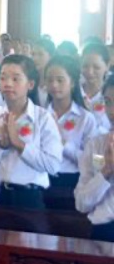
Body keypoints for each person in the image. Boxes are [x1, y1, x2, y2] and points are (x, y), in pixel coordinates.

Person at [0, 55, 62, 209]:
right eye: (3, 78)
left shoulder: (42, 118)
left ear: (30, 84)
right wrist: (1, 147)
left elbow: (53, 165)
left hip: (29, 197)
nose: (8, 84)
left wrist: (19, 144)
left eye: (15, 79)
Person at [44, 55, 103, 192]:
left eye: (60, 80)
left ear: (72, 83)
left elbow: (93, 161)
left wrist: (62, 143)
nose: (54, 85)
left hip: (72, 181)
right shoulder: (41, 115)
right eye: (49, 80)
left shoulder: (85, 118)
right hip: (43, 179)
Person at [74, 76, 114, 241]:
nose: (111, 111)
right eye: (108, 102)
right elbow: (81, 204)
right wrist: (106, 171)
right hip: (102, 231)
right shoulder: (95, 145)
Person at [81, 43, 111, 131]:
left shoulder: (110, 93)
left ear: (107, 66)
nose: (90, 72)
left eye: (96, 67)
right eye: (85, 66)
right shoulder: (73, 92)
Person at [32, 39, 56, 107]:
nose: (35, 59)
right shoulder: (30, 81)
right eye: (33, 54)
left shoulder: (56, 83)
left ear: (51, 56)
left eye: (40, 54)